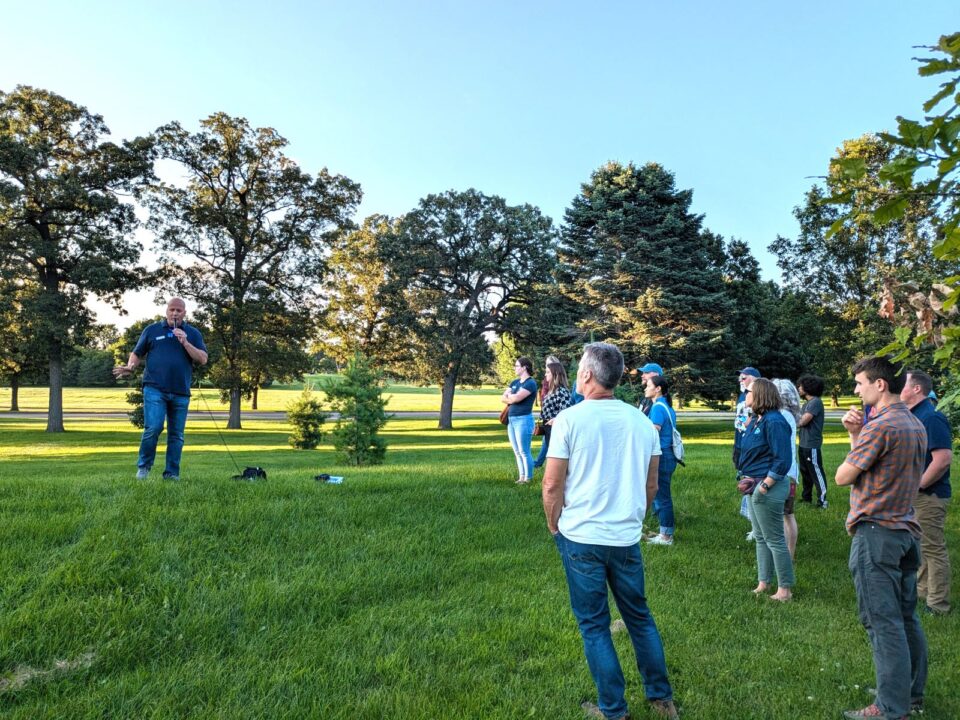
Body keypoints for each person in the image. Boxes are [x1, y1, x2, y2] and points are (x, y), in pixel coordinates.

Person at [542, 342, 679, 720]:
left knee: (594, 624)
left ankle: (614, 710)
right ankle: (660, 697)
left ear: (586, 375)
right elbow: (651, 486)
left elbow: (552, 485)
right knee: (638, 615)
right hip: (625, 536)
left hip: (582, 536)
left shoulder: (570, 419)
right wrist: (635, 518)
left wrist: (554, 523)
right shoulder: (641, 420)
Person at [835, 356, 927, 720]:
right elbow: (875, 467)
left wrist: (856, 436)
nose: (856, 390)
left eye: (860, 383)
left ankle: (891, 707)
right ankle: (908, 692)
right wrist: (857, 434)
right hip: (906, 530)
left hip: (877, 533)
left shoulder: (882, 425)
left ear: (880, 384)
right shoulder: (913, 422)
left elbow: (844, 475)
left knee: (882, 620)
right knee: (906, 618)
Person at [113, 298, 208, 480]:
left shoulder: (192, 333)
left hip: (181, 391)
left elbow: (203, 359)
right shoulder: (152, 330)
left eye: (179, 310)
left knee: (177, 435)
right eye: (172, 309)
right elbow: (137, 353)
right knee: (153, 428)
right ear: (166, 311)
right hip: (155, 388)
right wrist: (131, 366)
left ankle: (171, 474)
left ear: (184, 313)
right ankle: (144, 468)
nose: (175, 313)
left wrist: (185, 342)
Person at [900, 369, 952, 616]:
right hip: (915, 493)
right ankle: (922, 594)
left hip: (929, 495)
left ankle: (938, 604)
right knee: (919, 546)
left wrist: (917, 485)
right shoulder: (913, 415)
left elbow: (942, 460)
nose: (899, 387)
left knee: (933, 549)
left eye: (904, 384)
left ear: (916, 389)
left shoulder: (931, 417)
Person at [738, 378, 794, 601]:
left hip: (767, 486)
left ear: (760, 394)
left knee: (775, 539)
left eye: (749, 392)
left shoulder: (774, 422)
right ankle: (764, 582)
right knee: (761, 537)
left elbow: (783, 459)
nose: (745, 395)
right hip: (754, 485)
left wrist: (765, 485)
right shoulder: (757, 419)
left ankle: (785, 590)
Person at [645, 376, 678, 546]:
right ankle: (663, 532)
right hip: (668, 456)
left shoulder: (658, 407)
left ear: (657, 389)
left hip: (663, 456)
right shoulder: (666, 405)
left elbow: (653, 432)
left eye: (649, 385)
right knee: (661, 495)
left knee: (662, 496)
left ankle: (666, 536)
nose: (645, 387)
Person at [772, 378, 801, 560]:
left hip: (781, 473)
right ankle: (789, 554)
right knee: (788, 514)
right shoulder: (790, 415)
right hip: (791, 472)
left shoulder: (779, 416)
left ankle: (782, 555)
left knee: (781, 516)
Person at [501, 356, 538, 484]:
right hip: (511, 420)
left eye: (517, 366)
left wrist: (511, 396)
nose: (515, 368)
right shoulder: (514, 383)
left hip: (524, 420)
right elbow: (503, 398)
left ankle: (528, 478)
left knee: (524, 451)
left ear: (524, 368)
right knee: (517, 451)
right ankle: (521, 477)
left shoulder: (530, 383)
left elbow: (516, 399)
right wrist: (512, 397)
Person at [734, 367, 761, 540]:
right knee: (745, 482)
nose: (741, 380)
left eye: (744, 377)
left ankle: (757, 527)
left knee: (752, 484)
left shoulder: (756, 397)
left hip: (751, 446)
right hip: (740, 445)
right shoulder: (743, 395)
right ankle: (754, 524)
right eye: (740, 378)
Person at [797, 374, 829, 508]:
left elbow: (803, 421)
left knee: (816, 472)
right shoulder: (807, 403)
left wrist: (793, 421)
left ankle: (823, 501)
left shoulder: (815, 402)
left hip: (811, 445)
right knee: (805, 472)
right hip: (803, 443)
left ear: (808, 387)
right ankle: (806, 498)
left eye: (801, 386)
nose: (798, 388)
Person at [533, 361, 572, 470]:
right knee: (552, 453)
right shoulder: (551, 390)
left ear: (555, 374)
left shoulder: (562, 391)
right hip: (547, 427)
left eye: (548, 372)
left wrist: (555, 419)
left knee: (558, 455)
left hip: (555, 428)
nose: (545, 375)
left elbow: (567, 412)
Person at [533, 355, 562, 469]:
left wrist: (555, 418)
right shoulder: (546, 381)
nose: (546, 370)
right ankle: (540, 463)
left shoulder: (559, 389)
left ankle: (539, 463)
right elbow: (544, 398)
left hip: (553, 420)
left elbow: (564, 408)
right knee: (546, 442)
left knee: (549, 444)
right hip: (546, 419)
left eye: (548, 366)